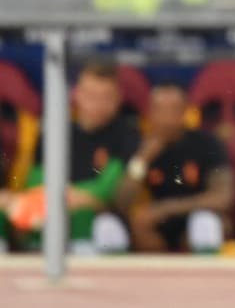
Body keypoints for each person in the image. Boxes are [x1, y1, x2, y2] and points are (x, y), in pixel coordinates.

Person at [0, 58, 139, 254]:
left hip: (95, 223)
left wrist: (68, 196)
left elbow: (107, 191)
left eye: (105, 97)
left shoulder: (126, 134)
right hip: (48, 213)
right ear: (77, 94)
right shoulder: (54, 130)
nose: (97, 105)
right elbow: (36, 179)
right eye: (91, 95)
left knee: (105, 225)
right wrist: (44, 198)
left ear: (118, 98)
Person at [114, 82, 235, 253]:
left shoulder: (207, 143)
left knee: (206, 223)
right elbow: (121, 202)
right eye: (160, 110)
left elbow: (223, 197)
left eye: (174, 110)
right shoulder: (137, 144)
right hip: (154, 225)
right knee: (135, 222)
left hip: (192, 215)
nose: (167, 118)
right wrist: (142, 159)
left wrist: (166, 208)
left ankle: (204, 277)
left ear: (186, 112)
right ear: (149, 113)